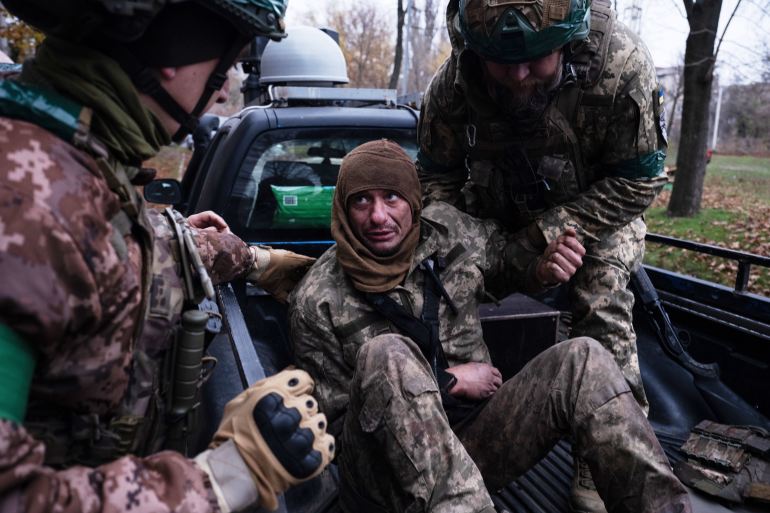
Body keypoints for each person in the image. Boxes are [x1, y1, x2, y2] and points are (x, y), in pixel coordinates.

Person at [0, 1, 335, 511]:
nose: (222, 90)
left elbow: (147, 249)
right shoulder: (24, 204)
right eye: (227, 64)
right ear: (171, 47)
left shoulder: (75, 165)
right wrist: (222, 478)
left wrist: (257, 262)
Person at [289, 140, 691, 513]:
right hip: (383, 476)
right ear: (343, 207)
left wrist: (542, 268)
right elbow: (334, 432)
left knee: (583, 357)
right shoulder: (317, 298)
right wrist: (447, 382)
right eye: (361, 200)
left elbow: (509, 263)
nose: (378, 216)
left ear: (412, 200)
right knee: (386, 351)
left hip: (471, 444)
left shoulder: (450, 232)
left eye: (391, 197)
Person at [416, 0, 668, 507]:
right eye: (502, 62)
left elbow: (639, 181)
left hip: (596, 213)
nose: (518, 75)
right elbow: (436, 180)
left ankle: (604, 449)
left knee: (601, 292)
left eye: (535, 59)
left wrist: (549, 233)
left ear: (568, 43)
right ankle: (460, 414)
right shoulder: (452, 87)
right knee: (439, 255)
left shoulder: (620, 67)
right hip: (498, 216)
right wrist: (473, 251)